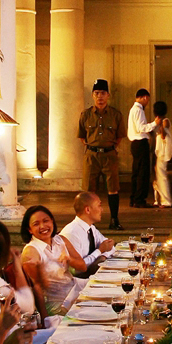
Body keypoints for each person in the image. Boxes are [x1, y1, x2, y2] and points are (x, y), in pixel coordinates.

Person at [20, 204, 87, 318]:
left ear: (52, 221)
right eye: (36, 224)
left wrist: (69, 259)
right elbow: (37, 288)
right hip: (57, 303)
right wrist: (45, 319)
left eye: (46, 221)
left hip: (75, 290)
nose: (43, 226)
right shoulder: (31, 251)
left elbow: (83, 267)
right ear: (29, 229)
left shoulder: (60, 240)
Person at [77, 79, 126, 230]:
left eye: (103, 93)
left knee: (113, 188)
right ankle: (87, 222)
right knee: (89, 190)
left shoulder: (115, 115)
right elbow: (81, 136)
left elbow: (119, 136)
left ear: (108, 95)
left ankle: (114, 219)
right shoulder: (86, 115)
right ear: (92, 95)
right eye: (97, 93)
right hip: (91, 155)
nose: (100, 96)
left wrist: (110, 147)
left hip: (109, 155)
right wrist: (91, 147)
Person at [59, 191, 116, 279]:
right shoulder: (72, 233)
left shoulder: (91, 228)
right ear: (88, 210)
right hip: (77, 280)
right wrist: (99, 251)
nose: (102, 210)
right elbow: (78, 268)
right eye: (99, 205)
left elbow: (110, 247)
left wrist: (102, 256)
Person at [127, 88, 159, 208]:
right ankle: (139, 199)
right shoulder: (138, 110)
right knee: (143, 173)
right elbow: (141, 128)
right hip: (140, 143)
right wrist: (155, 123)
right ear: (144, 97)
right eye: (148, 100)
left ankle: (134, 198)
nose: (147, 102)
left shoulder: (133, 110)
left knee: (136, 172)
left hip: (135, 144)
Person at [152, 100, 172, 207]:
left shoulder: (164, 121)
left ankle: (166, 200)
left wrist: (159, 125)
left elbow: (163, 134)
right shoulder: (163, 120)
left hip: (163, 151)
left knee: (161, 174)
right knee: (159, 173)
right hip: (161, 150)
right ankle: (160, 199)